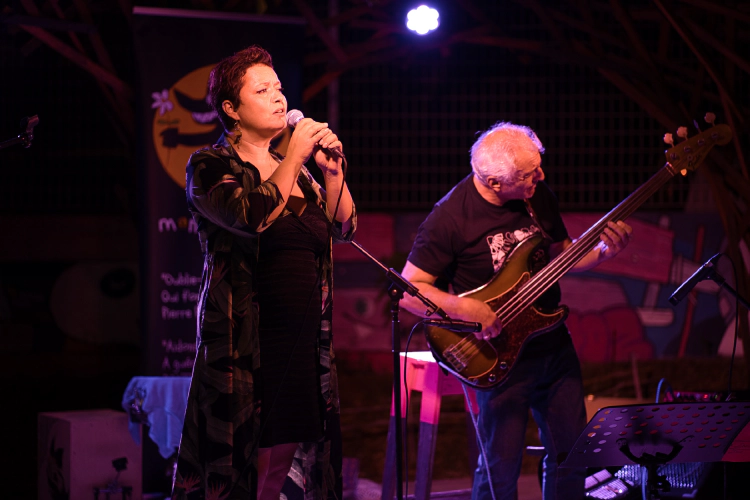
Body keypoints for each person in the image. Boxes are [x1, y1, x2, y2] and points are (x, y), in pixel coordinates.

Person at [400, 122, 632, 500]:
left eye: (538, 166)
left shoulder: (537, 195)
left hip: (552, 344)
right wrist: (463, 307)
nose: (541, 177)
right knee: (500, 469)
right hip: (499, 354)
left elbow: (562, 255)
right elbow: (409, 291)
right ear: (494, 182)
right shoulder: (449, 218)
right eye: (529, 174)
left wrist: (604, 252)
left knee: (572, 455)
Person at [172, 45, 356, 500]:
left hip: (303, 342)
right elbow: (250, 215)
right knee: (243, 469)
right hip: (247, 346)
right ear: (231, 109)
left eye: (278, 87)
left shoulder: (302, 175)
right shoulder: (211, 165)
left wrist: (332, 174)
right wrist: (294, 157)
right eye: (262, 90)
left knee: (278, 472)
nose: (278, 97)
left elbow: (344, 227)